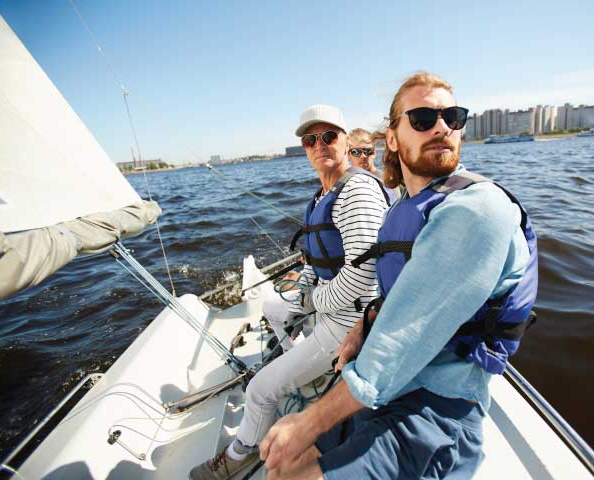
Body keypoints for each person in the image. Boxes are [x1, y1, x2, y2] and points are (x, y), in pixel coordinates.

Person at [258, 72, 538, 480]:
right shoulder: (407, 206)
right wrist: (365, 322)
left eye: (453, 117)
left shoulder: (475, 211)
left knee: (291, 467)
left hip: (436, 409)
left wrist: (310, 422)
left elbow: (400, 342)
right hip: (391, 391)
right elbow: (404, 290)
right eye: (423, 118)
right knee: (285, 462)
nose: (442, 126)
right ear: (392, 137)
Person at [189, 104, 391, 479]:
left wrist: (311, 301)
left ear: (346, 141)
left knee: (260, 390)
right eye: (310, 139)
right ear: (304, 148)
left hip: (348, 326)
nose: (320, 144)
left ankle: (241, 454)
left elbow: (363, 274)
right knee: (274, 309)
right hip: (329, 311)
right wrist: (306, 293)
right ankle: (299, 365)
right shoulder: (321, 195)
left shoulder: (357, 191)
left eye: (329, 136)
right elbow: (320, 262)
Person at [348, 128, 399, 200]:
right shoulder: (342, 181)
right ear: (348, 155)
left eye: (368, 151)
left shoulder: (388, 181)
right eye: (356, 152)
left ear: (374, 152)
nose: (363, 156)